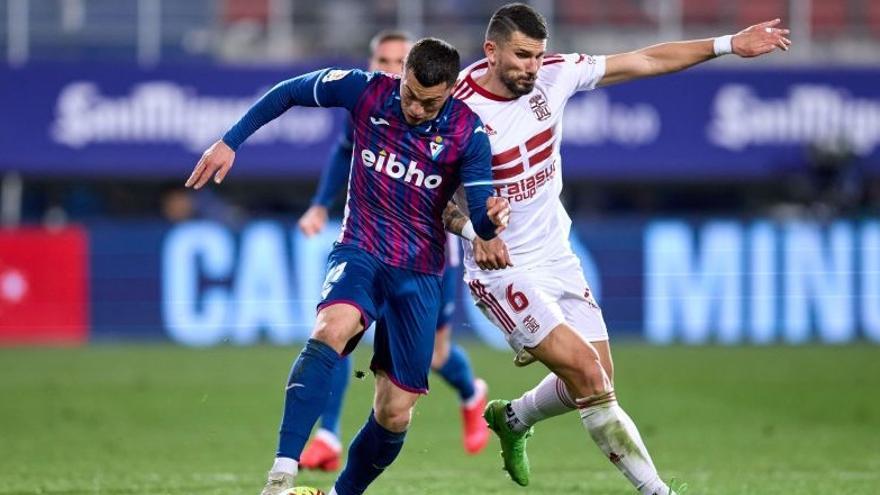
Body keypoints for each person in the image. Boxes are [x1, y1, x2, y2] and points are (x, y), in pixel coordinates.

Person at [443, 4, 790, 494]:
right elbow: (431, 201)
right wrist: (475, 232)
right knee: (588, 374)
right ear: (491, 51)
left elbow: (644, 60)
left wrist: (728, 44)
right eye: (522, 56)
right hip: (501, 268)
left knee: (599, 376)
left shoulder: (554, 77)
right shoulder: (455, 110)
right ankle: (658, 492)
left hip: (556, 255)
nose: (532, 68)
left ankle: (513, 417)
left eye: (538, 56)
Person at [185, 38, 511, 495]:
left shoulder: (469, 134)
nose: (416, 108)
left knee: (395, 412)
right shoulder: (366, 91)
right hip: (361, 249)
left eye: (429, 102)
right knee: (329, 330)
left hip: (419, 273)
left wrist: (490, 222)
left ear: (451, 91)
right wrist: (230, 141)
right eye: (410, 94)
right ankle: (280, 477)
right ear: (402, 76)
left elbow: (477, 212)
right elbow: (289, 91)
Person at [295, 30, 490, 472]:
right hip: (371, 242)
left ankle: (471, 392)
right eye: (383, 59)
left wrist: (481, 227)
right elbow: (344, 152)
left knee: (437, 356)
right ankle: (328, 433)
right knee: (339, 329)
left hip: (431, 249)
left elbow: (469, 194)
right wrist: (319, 205)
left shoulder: (456, 123)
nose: (388, 66)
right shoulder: (371, 101)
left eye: (395, 58)